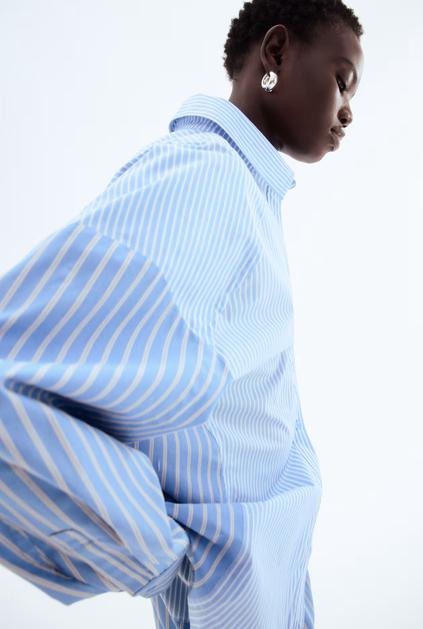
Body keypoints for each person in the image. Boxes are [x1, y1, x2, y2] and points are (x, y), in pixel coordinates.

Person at [0, 0, 364, 627]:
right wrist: (162, 558)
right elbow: (13, 393)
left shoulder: (244, 198)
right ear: (276, 53)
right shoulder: (209, 176)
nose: (350, 111)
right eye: (343, 80)